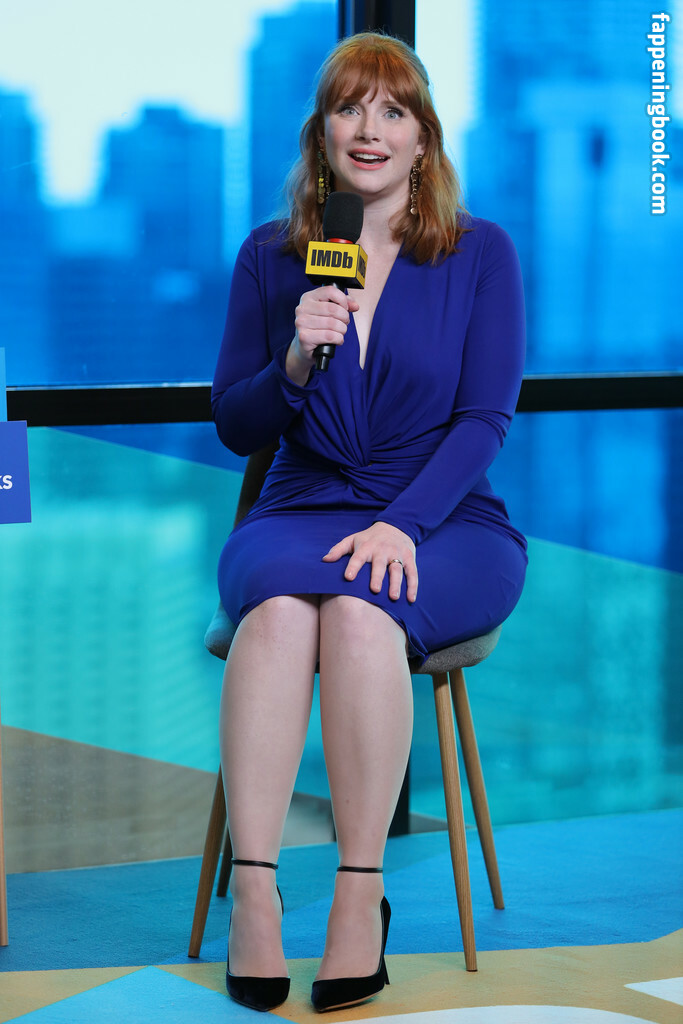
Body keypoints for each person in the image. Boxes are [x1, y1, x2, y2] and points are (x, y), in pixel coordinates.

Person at [211, 31, 527, 1013]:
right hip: (300, 504)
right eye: (349, 108)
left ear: (423, 140)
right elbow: (235, 424)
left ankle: (359, 895)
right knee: (277, 614)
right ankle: (254, 894)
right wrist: (292, 362)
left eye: (393, 110)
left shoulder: (479, 253)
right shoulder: (271, 257)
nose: (369, 128)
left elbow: (483, 420)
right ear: (321, 134)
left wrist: (402, 524)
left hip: (442, 518)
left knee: (358, 612)